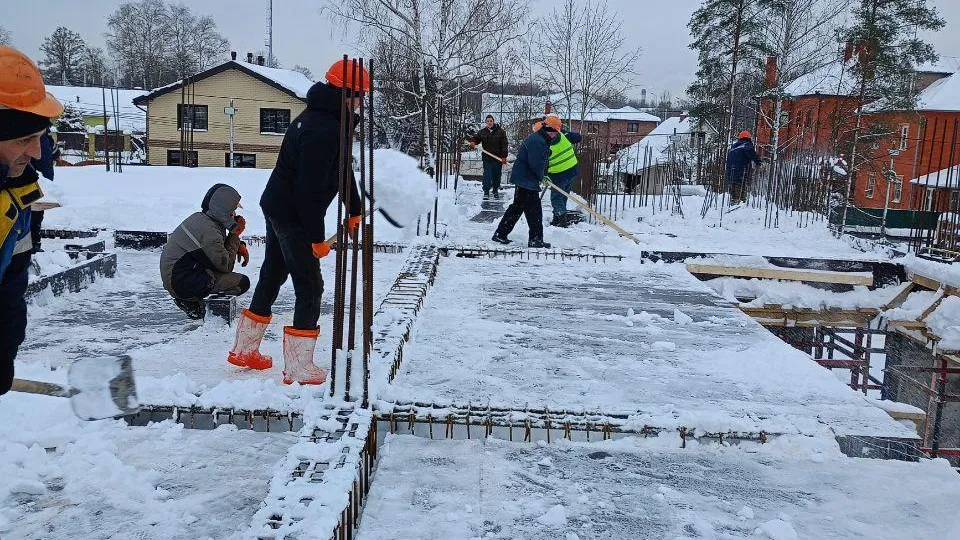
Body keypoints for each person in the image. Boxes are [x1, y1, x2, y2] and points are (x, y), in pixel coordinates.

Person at [226, 58, 365, 385]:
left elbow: (341, 170)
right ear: (346, 93)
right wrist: (317, 238)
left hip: (280, 206)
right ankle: (300, 369)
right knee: (310, 285)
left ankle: (244, 351)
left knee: (273, 273)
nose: (362, 102)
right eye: (359, 95)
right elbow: (309, 192)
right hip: (293, 212)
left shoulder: (328, 120)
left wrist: (354, 208)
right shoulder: (324, 129)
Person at [0, 46, 64, 396]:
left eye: (40, 138)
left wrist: (4, 351)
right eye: (25, 139)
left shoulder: (18, 195)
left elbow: (10, 283)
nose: (38, 154)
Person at [160, 183, 251, 320]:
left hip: (180, 276)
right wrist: (235, 235)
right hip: (181, 281)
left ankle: (191, 300)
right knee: (242, 282)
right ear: (223, 210)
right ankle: (198, 305)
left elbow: (218, 250)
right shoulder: (209, 231)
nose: (235, 215)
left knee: (221, 274)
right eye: (232, 211)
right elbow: (225, 265)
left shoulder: (204, 221)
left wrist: (239, 245)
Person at [491, 120, 557, 248]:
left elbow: (541, 160)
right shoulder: (537, 141)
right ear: (550, 131)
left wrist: (544, 174)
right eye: (555, 133)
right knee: (534, 211)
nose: (556, 136)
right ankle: (535, 240)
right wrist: (542, 176)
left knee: (517, 208)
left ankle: (500, 233)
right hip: (526, 180)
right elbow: (536, 163)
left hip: (524, 178)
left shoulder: (539, 139)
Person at [541, 114, 583, 227]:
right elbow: (578, 137)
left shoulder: (545, 142)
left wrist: (544, 175)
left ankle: (561, 220)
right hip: (572, 171)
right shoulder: (564, 135)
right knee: (563, 195)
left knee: (557, 197)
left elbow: (543, 162)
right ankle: (557, 218)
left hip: (559, 174)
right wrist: (565, 132)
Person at [29, 127, 60, 253]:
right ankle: (32, 244)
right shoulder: (43, 133)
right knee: (32, 213)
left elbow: (53, 149)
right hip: (36, 178)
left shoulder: (39, 130)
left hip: (38, 178)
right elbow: (55, 152)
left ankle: (32, 244)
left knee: (34, 212)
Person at [469, 114, 508, 199]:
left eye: (491, 121)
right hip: (487, 158)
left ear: (493, 121)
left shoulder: (501, 132)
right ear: (486, 122)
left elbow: (504, 145)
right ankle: (486, 191)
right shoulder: (482, 132)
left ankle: (495, 190)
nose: (489, 123)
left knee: (496, 175)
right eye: (488, 121)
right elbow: (476, 138)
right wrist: (473, 142)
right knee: (487, 175)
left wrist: (504, 157)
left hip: (498, 158)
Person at [726, 130, 762, 205]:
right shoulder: (746, 145)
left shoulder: (733, 147)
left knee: (733, 189)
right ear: (749, 138)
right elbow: (753, 154)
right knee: (740, 189)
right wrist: (758, 162)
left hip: (730, 173)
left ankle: (733, 202)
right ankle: (739, 205)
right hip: (741, 172)